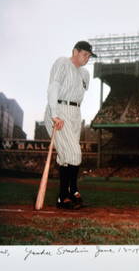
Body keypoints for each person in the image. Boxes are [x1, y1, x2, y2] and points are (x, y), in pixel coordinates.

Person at [44, 41, 97, 209]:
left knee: (66, 158)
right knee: (75, 153)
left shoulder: (85, 74)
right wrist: (54, 114)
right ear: (75, 51)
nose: (87, 58)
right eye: (84, 54)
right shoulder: (62, 62)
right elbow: (53, 88)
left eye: (89, 56)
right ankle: (73, 190)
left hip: (75, 113)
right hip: (59, 109)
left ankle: (62, 198)